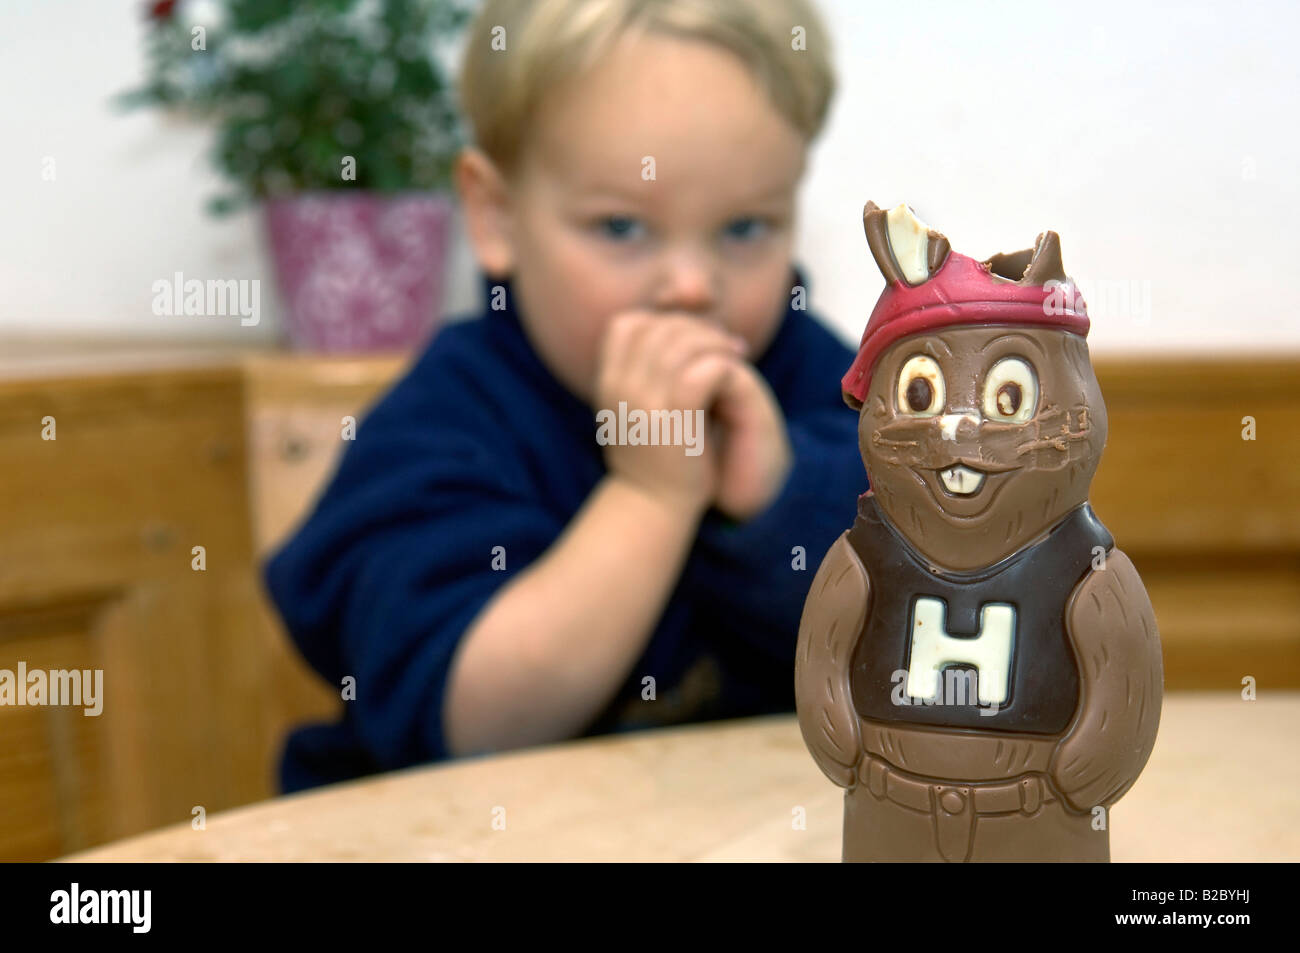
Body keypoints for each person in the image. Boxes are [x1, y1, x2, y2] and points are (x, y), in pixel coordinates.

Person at [264, 0, 867, 793]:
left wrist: (782, 498)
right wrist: (651, 497)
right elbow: (477, 725)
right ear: (496, 214)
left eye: (746, 228)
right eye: (621, 227)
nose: (692, 286)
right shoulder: (447, 422)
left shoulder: (811, 376)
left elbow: (925, 633)